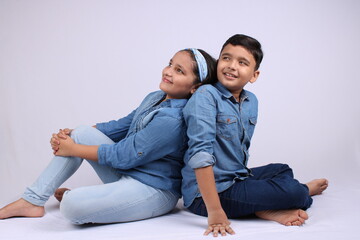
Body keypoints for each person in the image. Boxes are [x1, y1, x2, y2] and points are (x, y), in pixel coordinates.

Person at [0, 48, 216, 224]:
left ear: (195, 88)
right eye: (170, 63)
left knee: (71, 207)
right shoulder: (156, 97)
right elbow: (119, 127)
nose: (168, 71)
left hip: (153, 190)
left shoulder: (174, 119)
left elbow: (125, 154)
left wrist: (73, 149)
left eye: (179, 71)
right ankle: (32, 201)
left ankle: (86, 198)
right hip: (129, 171)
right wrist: (69, 135)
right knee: (83, 132)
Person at [181, 34, 329, 237]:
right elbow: (200, 155)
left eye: (242, 62)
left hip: (237, 178)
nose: (232, 66)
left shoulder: (251, 101)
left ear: (254, 75)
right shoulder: (206, 95)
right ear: (218, 63)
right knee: (294, 191)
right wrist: (215, 212)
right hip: (208, 195)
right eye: (226, 58)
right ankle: (301, 192)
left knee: (283, 170)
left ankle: (262, 208)